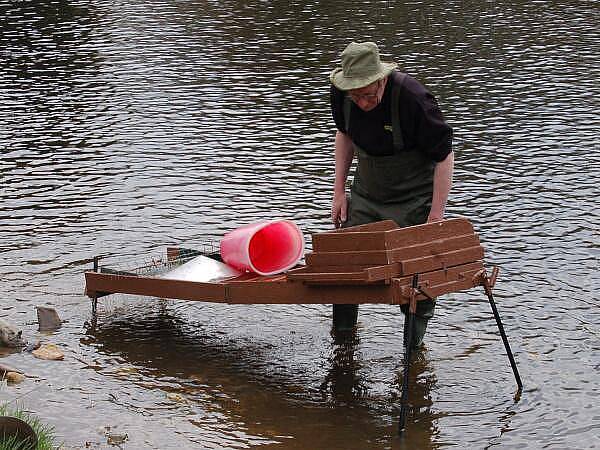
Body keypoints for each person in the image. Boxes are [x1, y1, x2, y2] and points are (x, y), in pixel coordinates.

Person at [328, 41, 454, 348]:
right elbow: (344, 135)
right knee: (346, 266)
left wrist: (435, 215)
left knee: (417, 277)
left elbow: (445, 155)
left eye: (369, 94)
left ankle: (413, 349)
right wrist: (339, 191)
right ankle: (343, 341)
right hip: (367, 192)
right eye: (355, 95)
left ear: (382, 79)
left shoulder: (413, 99)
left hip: (413, 197)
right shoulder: (342, 95)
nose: (363, 103)